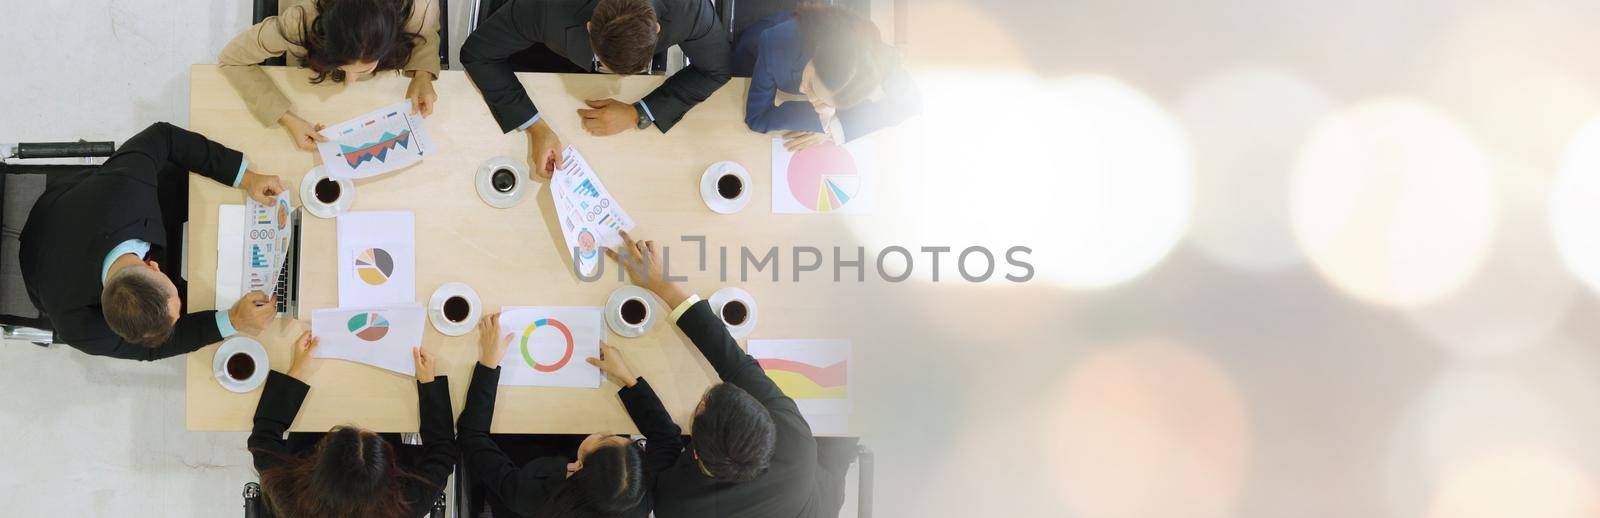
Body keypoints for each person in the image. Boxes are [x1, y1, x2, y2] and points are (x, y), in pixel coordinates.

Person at [606, 231, 849, 517]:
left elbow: (668, 442)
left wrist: (633, 385)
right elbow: (737, 366)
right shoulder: (796, 445)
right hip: (815, 493)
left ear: (693, 449)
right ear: (765, 426)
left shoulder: (676, 505)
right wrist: (665, 287)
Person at [18, 122, 281, 361]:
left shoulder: (126, 187)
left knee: (176, 180)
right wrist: (233, 320)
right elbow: (153, 348)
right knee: (203, 304)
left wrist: (246, 178)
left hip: (62, 209)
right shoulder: (80, 329)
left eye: (173, 305)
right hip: (41, 276)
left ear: (154, 267)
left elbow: (162, 136)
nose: (178, 316)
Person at [460, 0, 731, 178]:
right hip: (548, 48)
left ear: (657, 29)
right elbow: (478, 54)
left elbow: (716, 69)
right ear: (590, 27)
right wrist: (534, 126)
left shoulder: (690, 9)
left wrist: (640, 112)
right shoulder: (544, 7)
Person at [457, 312, 684, 517]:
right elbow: (668, 439)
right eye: (630, 443)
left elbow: (471, 437)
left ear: (581, 464)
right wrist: (628, 378)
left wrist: (488, 365)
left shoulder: (529, 496)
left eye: (604, 439)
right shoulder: (637, 496)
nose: (607, 431)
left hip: (525, 455)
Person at [249, 332, 457, 517]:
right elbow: (443, 452)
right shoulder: (407, 505)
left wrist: (295, 373)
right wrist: (429, 383)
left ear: (319, 467)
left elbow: (262, 437)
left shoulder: (291, 500)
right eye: (367, 435)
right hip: (383, 407)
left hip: (311, 426)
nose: (362, 426)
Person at [219, 0, 442, 150]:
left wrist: (423, 73)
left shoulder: (416, 9)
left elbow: (424, 31)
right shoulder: (299, 23)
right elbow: (232, 58)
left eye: (363, 69)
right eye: (344, 68)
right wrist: (287, 118)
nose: (350, 82)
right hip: (308, 74)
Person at [734, 4, 920, 152]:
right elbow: (757, 118)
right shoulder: (776, 43)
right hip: (754, 53)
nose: (802, 90)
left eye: (825, 101)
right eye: (812, 85)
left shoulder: (882, 60)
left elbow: (911, 105)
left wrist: (833, 128)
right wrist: (824, 122)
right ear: (816, 55)